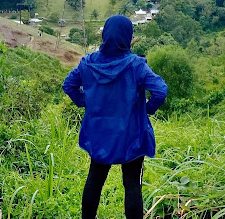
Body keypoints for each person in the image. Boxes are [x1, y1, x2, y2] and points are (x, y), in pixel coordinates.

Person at [63, 15, 168, 219]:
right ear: (128, 37)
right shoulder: (136, 66)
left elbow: (69, 85)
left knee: (95, 180)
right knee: (132, 186)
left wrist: (85, 101)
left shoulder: (88, 63)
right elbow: (160, 90)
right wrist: (148, 109)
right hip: (131, 135)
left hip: (99, 135)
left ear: (104, 36)